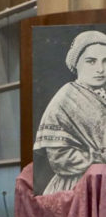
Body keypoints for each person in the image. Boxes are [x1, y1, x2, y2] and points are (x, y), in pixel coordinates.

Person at [33, 30, 106, 195]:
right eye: (91, 61)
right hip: (79, 186)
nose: (100, 69)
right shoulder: (65, 98)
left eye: (105, 61)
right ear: (76, 63)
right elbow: (59, 158)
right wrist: (98, 157)